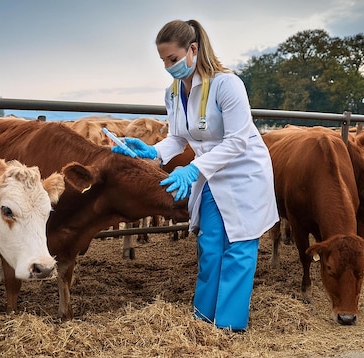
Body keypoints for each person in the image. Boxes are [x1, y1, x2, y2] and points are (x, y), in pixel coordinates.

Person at [112, 19, 279, 331]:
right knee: (210, 244)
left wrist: (193, 169)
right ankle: (202, 321)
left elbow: (238, 140)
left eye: (172, 59)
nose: (168, 67)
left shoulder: (227, 84)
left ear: (193, 50)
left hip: (244, 175)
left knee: (239, 248)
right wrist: (153, 151)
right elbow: (178, 137)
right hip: (211, 176)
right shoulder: (174, 92)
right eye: (163, 61)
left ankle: (228, 328)